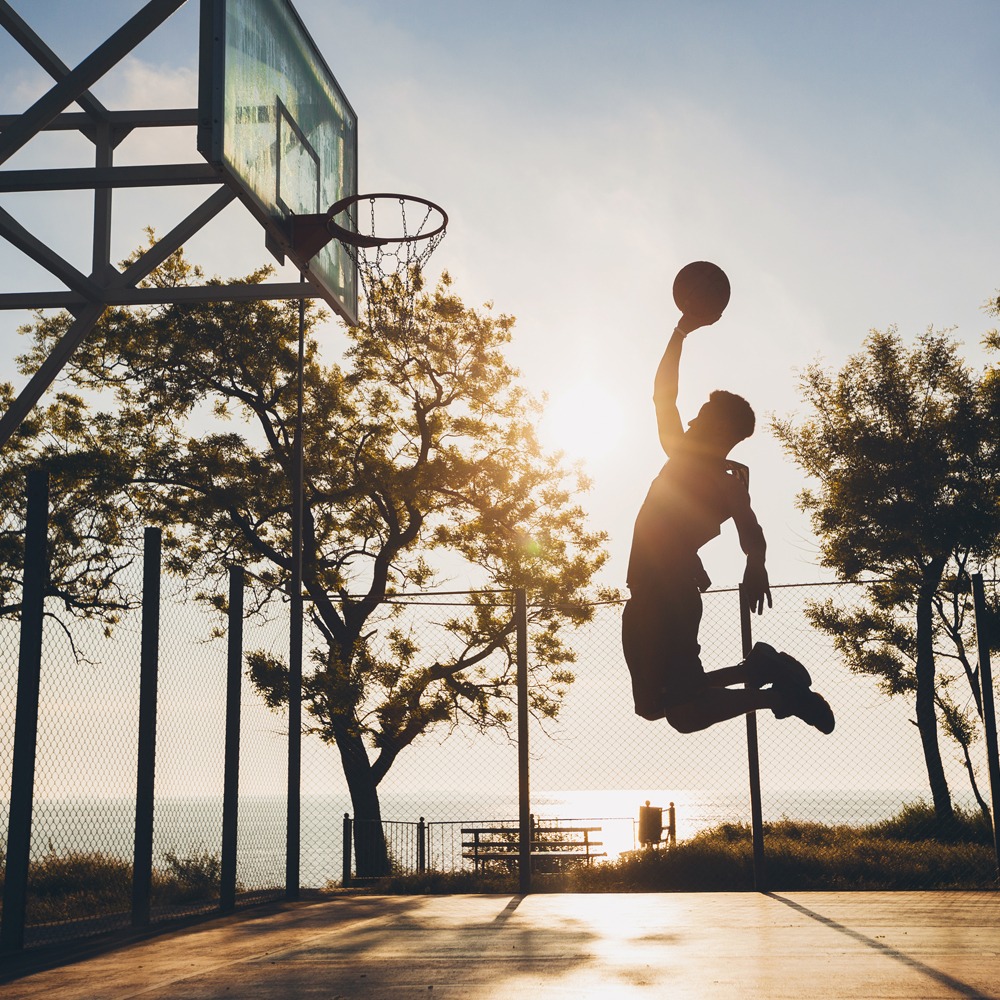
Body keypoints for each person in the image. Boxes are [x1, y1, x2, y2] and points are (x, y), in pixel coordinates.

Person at [622, 308, 835, 734]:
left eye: (702, 415)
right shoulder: (709, 469)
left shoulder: (712, 474)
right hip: (652, 591)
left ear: (720, 428)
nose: (694, 419)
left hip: (670, 595)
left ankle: (778, 693)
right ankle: (761, 669)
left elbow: (663, 396)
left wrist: (756, 561)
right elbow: (663, 396)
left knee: (681, 711)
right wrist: (755, 560)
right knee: (653, 705)